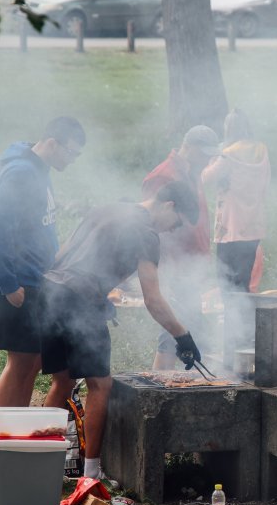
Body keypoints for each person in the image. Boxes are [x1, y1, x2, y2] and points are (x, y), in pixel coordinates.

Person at [40, 181, 202, 480]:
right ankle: (91, 473)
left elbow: (66, 251)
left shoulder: (110, 208)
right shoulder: (146, 233)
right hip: (81, 300)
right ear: (170, 206)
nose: (172, 230)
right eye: (177, 223)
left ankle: (36, 462)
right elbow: (153, 300)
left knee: (62, 383)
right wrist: (183, 336)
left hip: (50, 292)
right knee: (100, 385)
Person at [0, 116, 85, 407]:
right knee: (20, 362)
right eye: (72, 152)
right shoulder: (21, 172)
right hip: (19, 282)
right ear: (52, 143)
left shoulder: (40, 169)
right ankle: (5, 430)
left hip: (37, 279)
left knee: (32, 361)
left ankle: (19, 425)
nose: (73, 160)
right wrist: (8, 283)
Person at [142, 125, 221, 370]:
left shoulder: (193, 171)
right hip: (174, 266)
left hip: (190, 266)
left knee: (191, 326)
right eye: (204, 153)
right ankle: (158, 387)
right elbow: (154, 227)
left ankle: (175, 384)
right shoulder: (163, 175)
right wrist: (170, 271)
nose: (208, 160)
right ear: (189, 146)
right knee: (172, 333)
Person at [202, 109, 270, 294]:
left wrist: (212, 160)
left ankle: (233, 322)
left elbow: (206, 177)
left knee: (227, 283)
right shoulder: (261, 150)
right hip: (253, 224)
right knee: (244, 282)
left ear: (229, 129)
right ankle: (246, 320)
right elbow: (266, 182)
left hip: (230, 226)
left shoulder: (227, 154)